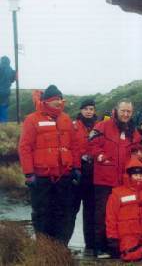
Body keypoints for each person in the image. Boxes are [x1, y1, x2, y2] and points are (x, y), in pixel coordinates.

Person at [18, 85, 80, 245]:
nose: (59, 102)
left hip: (64, 176)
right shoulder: (32, 119)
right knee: (42, 213)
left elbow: (74, 146)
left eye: (60, 99)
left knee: (64, 212)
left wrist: (76, 167)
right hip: (42, 178)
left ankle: (60, 248)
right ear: (46, 101)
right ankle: (44, 248)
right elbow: (25, 147)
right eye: (55, 100)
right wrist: (29, 174)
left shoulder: (66, 119)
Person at [88, 100, 142, 258]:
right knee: (102, 214)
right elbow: (91, 144)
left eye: (129, 112)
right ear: (116, 111)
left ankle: (116, 246)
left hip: (123, 181)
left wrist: (137, 154)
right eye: (123, 111)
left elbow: (138, 146)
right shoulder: (101, 126)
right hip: (104, 179)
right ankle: (99, 247)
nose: (126, 114)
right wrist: (100, 156)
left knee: (122, 214)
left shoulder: (133, 130)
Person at [106, 156, 142, 262]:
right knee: (132, 256)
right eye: (135, 175)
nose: (139, 177)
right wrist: (112, 237)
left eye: (141, 175)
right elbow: (111, 216)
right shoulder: (117, 193)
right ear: (129, 176)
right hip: (127, 235)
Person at [71, 98, 98, 254]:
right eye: (86, 108)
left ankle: (91, 244)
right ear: (81, 110)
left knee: (90, 210)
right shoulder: (74, 126)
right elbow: (71, 148)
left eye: (91, 109)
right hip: (77, 172)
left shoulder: (99, 126)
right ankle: (63, 241)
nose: (89, 111)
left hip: (93, 173)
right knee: (72, 209)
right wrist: (75, 166)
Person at [0, 56, 16, 123]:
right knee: (4, 108)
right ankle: (3, 124)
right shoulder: (11, 70)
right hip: (6, 92)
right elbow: (13, 80)